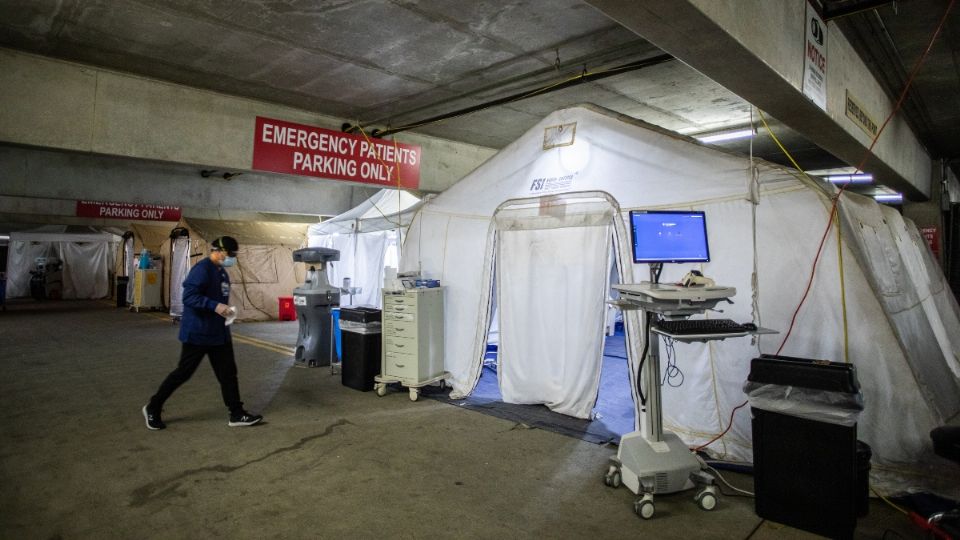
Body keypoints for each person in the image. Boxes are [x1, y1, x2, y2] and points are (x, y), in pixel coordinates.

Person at [143, 236, 263, 430]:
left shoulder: (221, 272)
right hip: (198, 333)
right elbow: (189, 297)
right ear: (220, 251)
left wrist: (227, 311)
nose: (232, 258)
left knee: (228, 374)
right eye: (231, 254)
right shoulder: (202, 269)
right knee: (183, 373)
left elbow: (218, 297)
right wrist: (214, 306)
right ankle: (153, 407)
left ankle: (236, 413)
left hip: (219, 334)